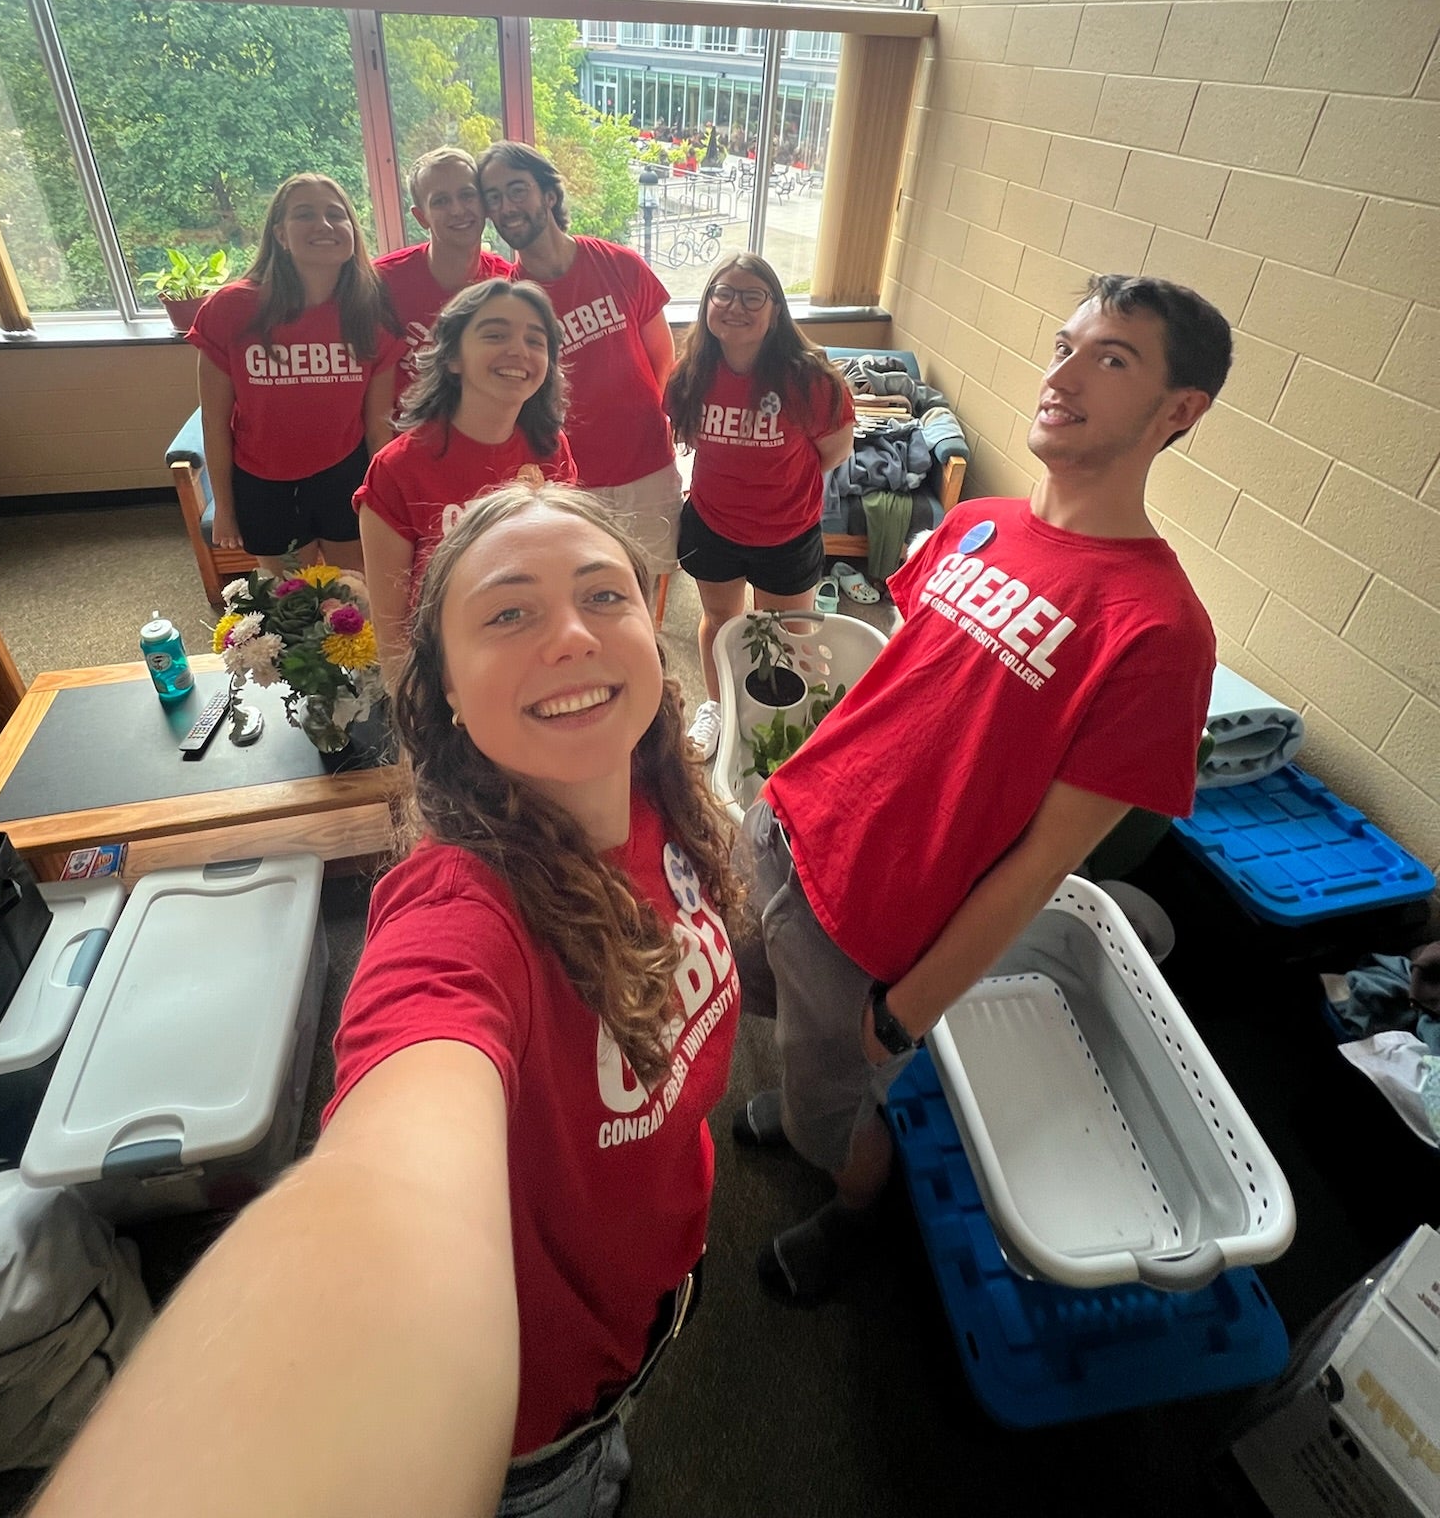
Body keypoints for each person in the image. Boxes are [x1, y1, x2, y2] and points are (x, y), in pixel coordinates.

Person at [26, 484, 743, 1518]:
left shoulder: (666, 798)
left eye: (606, 593)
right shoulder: (458, 914)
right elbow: (389, 1171)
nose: (575, 632)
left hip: (649, 1282)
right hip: (532, 1422)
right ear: (444, 686)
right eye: (509, 611)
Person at [734, 273, 1232, 1305]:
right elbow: (899, 686)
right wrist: (784, 789)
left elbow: (1045, 862)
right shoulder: (979, 523)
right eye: (1065, 342)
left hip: (874, 929)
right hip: (787, 828)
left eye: (1112, 358)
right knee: (766, 1006)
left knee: (843, 1103)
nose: (1060, 373)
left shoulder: (1159, 627)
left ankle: (854, 1211)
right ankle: (799, 1100)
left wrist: (909, 1012)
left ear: (1178, 410)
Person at [663, 253, 854, 763]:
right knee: (720, 621)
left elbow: (833, 451)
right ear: (707, 304)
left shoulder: (810, 379)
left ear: (775, 309)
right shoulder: (691, 373)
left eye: (752, 296)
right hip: (711, 525)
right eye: (723, 293)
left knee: (785, 633)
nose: (735, 306)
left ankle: (775, 715)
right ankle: (719, 707)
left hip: (786, 532)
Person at [478, 142, 681, 585]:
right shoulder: (508, 301)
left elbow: (661, 357)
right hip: (565, 481)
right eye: (493, 197)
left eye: (517, 190)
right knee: (584, 595)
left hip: (646, 466)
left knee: (641, 594)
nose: (506, 206)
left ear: (548, 195)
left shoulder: (620, 265)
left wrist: (635, 420)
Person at [355, 279, 576, 679]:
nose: (518, 351)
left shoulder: (551, 448)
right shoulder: (397, 470)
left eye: (536, 340)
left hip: (540, 654)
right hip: (450, 672)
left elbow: (566, 565)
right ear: (453, 357)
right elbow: (392, 638)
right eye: (495, 334)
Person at [189, 173, 403, 571]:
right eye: (305, 214)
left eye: (336, 215)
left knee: (353, 598)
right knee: (292, 604)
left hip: (345, 473)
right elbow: (214, 422)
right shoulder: (230, 310)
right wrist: (225, 507)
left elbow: (378, 429)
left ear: (352, 232)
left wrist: (386, 500)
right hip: (262, 482)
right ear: (280, 235)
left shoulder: (370, 312)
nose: (323, 225)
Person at [375, 146, 511, 388]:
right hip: (404, 425)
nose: (457, 210)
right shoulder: (381, 283)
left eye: (467, 195)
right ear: (421, 217)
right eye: (440, 201)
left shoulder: (508, 283)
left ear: (485, 205)